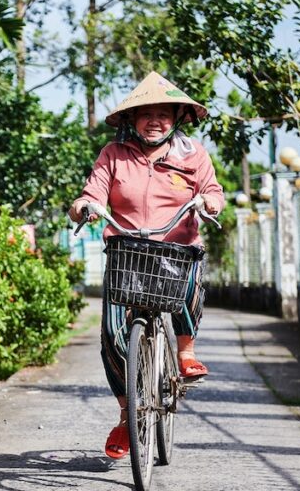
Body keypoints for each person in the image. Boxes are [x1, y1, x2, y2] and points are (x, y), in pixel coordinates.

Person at [68, 71, 225, 460]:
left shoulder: (194, 155)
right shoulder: (113, 154)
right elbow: (91, 193)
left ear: (176, 117)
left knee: (192, 279)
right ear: (131, 120)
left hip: (175, 250)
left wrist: (208, 203)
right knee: (111, 335)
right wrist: (86, 207)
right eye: (145, 113)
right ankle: (127, 413)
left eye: (163, 113)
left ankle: (185, 353)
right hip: (128, 252)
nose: (155, 120)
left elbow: (213, 191)